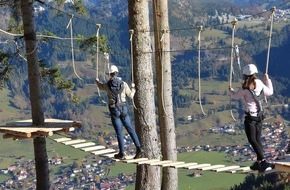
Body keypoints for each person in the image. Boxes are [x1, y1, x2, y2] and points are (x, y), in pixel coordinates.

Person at [229, 64, 274, 172]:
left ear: (245, 75)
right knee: (257, 139)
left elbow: (235, 96)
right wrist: (267, 80)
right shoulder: (259, 83)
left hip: (250, 117)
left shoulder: (245, 88)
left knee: (252, 139)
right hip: (259, 116)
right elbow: (270, 92)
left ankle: (263, 161)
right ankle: (259, 162)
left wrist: (230, 90)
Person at [95, 65, 144, 160]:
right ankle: (139, 148)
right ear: (117, 73)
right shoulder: (123, 84)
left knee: (119, 132)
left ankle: (122, 153)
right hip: (123, 108)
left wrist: (96, 81)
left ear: (110, 74)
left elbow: (101, 87)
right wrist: (133, 88)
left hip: (114, 110)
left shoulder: (108, 84)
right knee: (130, 129)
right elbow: (131, 95)